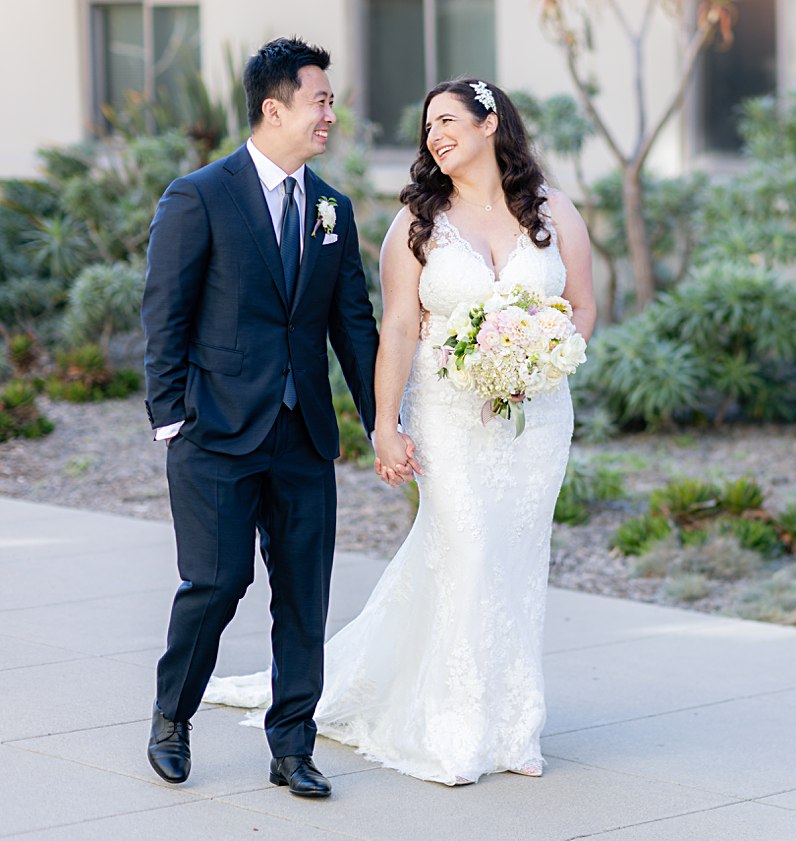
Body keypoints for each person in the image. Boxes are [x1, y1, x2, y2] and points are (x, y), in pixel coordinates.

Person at [204, 78, 596, 786]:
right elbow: (398, 331)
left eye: (448, 120)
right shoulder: (417, 222)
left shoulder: (553, 210)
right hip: (448, 415)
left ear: (490, 122)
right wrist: (385, 423)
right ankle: (456, 728)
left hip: (536, 419)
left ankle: (514, 723)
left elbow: (583, 307)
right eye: (427, 127)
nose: (435, 135)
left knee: (514, 558)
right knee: (471, 550)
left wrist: (542, 364)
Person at [141, 37, 395, 798]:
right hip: (215, 433)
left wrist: (383, 418)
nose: (331, 112)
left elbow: (353, 324)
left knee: (304, 596)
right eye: (319, 99)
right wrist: (171, 418)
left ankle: (293, 746)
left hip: (304, 436)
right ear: (273, 106)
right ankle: (170, 715)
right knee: (215, 585)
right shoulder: (199, 195)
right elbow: (165, 312)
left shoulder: (331, 209)